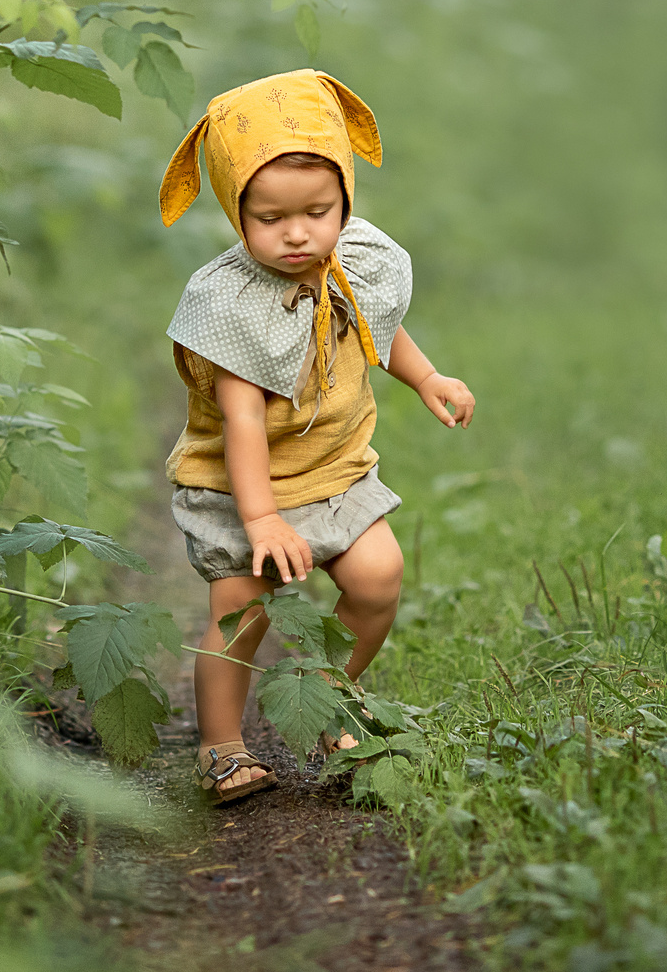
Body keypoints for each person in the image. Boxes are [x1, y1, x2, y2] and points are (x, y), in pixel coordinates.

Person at [156, 70, 475, 804]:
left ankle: (331, 697)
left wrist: (426, 378)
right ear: (238, 211)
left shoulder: (350, 259)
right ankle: (221, 747)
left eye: (317, 211)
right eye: (269, 218)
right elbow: (242, 423)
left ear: (345, 200)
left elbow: (372, 329)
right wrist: (261, 518)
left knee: (378, 577)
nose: (297, 233)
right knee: (241, 613)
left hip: (332, 470)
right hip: (242, 486)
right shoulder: (232, 305)